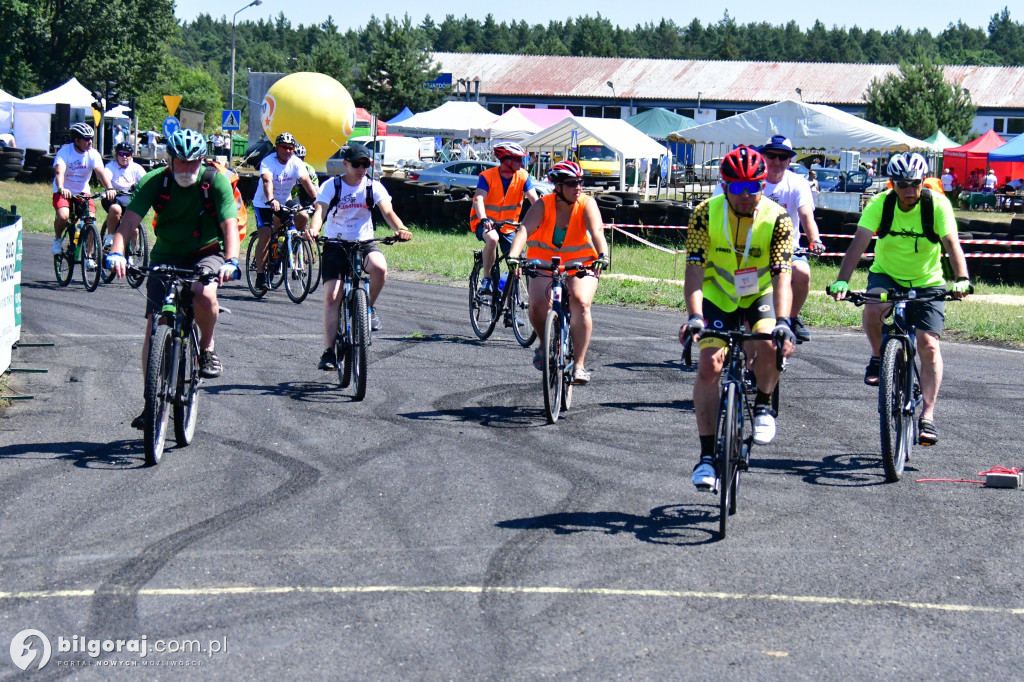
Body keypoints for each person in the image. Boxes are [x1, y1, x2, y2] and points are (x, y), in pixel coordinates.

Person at [826, 152, 971, 446]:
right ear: (892, 183)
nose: (909, 191)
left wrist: (963, 278)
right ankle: (879, 357)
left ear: (923, 182)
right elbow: (859, 242)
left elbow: (952, 244)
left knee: (928, 343)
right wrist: (843, 279)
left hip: (927, 281)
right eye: (902, 184)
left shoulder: (937, 205)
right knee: (873, 307)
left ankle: (927, 416)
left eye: (914, 184)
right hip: (887, 275)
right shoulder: (881, 204)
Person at [680, 146, 797, 490]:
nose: (746, 196)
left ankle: (763, 404)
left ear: (764, 185)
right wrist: (695, 316)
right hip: (718, 295)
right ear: (724, 185)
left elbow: (782, 277)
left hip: (759, 293)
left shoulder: (778, 218)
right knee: (709, 367)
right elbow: (694, 272)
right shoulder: (705, 213)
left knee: (770, 344)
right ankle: (705, 457)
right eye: (736, 189)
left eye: (753, 188)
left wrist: (784, 321)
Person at [106, 129, 240, 427]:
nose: (187, 169)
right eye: (181, 162)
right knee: (156, 325)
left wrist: (231, 261)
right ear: (170, 160)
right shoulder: (155, 182)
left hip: (206, 252)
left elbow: (229, 225)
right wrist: (117, 252)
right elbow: (128, 222)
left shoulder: (214, 181)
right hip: (165, 256)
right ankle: (150, 401)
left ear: (202, 160)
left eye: (193, 163)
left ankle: (206, 348)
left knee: (204, 294)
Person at [308, 143, 412, 370]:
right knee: (332, 296)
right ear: (345, 164)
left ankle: (367, 309)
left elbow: (388, 212)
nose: (361, 169)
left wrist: (401, 228)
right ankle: (329, 352)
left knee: (380, 268)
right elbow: (320, 212)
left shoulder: (373, 187)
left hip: (363, 243)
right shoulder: (331, 186)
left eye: (365, 164)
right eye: (356, 164)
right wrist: (314, 229)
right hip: (336, 244)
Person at [506, 161, 609, 386]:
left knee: (581, 302)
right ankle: (544, 343)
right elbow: (524, 230)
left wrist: (603, 254)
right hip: (544, 262)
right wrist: (514, 255)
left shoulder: (586, 203)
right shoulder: (543, 205)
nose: (578, 187)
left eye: (580, 182)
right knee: (537, 305)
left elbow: (597, 231)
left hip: (582, 263)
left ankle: (579, 365)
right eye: (572, 183)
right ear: (558, 186)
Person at [758, 135, 826, 342]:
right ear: (763, 156)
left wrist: (815, 240)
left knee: (803, 272)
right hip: (755, 248)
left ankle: (792, 317)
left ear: (789, 161)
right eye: (771, 155)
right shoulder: (753, 180)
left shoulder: (797, 183)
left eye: (783, 157)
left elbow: (806, 215)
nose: (776, 161)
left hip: (788, 249)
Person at [470, 142, 540, 294]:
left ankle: (510, 312)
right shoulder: (487, 176)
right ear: (506, 160)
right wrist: (484, 219)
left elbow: (535, 200)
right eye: (518, 160)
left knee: (516, 265)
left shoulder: (523, 176)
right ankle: (487, 279)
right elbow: (479, 199)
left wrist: (545, 217)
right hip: (486, 224)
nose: (522, 163)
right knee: (493, 238)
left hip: (509, 226)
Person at [251, 132, 318, 291]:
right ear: (277, 147)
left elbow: (306, 181)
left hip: (285, 200)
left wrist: (317, 200)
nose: (287, 150)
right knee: (266, 234)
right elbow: (267, 181)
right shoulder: (268, 162)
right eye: (284, 147)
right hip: (264, 203)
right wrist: (271, 199)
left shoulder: (296, 162)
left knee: (302, 215)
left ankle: (291, 244)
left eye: (290, 148)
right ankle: (260, 276)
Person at [51, 122, 116, 263]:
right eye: (86, 139)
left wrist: (110, 188)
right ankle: (57, 239)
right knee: (63, 215)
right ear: (76, 140)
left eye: (91, 138)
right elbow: (59, 172)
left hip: (82, 191)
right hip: (63, 190)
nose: (90, 141)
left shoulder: (93, 154)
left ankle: (89, 255)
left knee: (90, 220)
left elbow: (100, 173)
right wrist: (61, 188)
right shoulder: (65, 151)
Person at [101, 142, 146, 244]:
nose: (124, 157)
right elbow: (106, 177)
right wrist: (110, 189)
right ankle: (110, 237)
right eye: (121, 154)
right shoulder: (111, 166)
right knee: (115, 209)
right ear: (116, 155)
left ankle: (131, 254)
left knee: (135, 230)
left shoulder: (136, 168)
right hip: (113, 199)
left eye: (128, 154)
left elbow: (146, 180)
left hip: (130, 201)